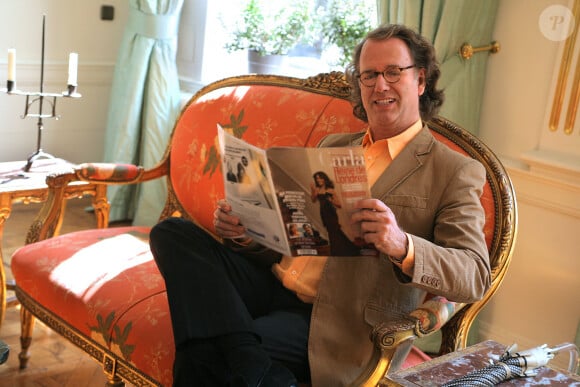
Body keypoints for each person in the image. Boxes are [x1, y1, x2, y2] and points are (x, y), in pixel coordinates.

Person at [150, 24, 490, 387]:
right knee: (173, 233)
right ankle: (248, 359)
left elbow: (474, 276)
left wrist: (401, 245)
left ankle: (242, 358)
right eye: (369, 75)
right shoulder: (334, 146)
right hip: (270, 283)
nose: (380, 85)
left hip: (333, 320)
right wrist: (246, 232)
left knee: (204, 352)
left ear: (420, 80)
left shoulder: (454, 170)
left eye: (393, 72)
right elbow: (291, 238)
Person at [310, 171, 360, 255]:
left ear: (324, 178)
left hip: (331, 213)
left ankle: (338, 251)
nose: (318, 180)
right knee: (331, 232)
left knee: (335, 231)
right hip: (323, 213)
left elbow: (339, 205)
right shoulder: (317, 190)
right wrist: (313, 190)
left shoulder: (331, 190)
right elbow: (313, 200)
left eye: (320, 178)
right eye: (317, 178)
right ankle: (342, 249)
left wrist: (331, 201)